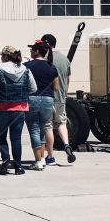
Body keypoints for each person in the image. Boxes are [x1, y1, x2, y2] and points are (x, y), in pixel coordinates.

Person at [0, 46, 37, 175]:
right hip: (19, 108)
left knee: (1, 136)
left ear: (5, 56)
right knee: (16, 138)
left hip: (2, 108)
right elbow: (34, 88)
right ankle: (18, 167)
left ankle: (5, 160)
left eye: (2, 55)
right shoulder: (25, 69)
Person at [41, 33, 76, 164]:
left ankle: (50, 156)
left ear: (47, 44)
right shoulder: (65, 59)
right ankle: (66, 144)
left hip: (47, 97)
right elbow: (67, 80)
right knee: (61, 123)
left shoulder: (43, 58)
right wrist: (64, 95)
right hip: (61, 97)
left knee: (48, 126)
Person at [24, 41, 59, 170]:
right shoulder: (51, 66)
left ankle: (38, 160)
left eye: (32, 49)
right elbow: (56, 87)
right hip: (48, 99)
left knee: (34, 129)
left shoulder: (27, 66)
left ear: (37, 51)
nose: (30, 52)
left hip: (32, 98)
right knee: (44, 128)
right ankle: (43, 158)